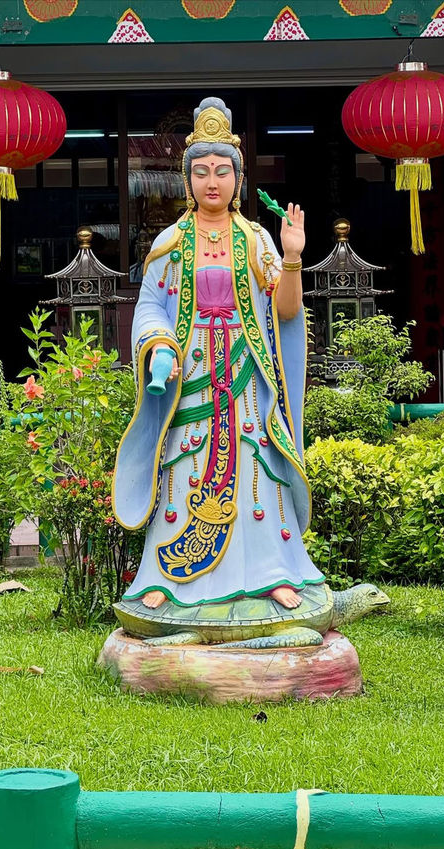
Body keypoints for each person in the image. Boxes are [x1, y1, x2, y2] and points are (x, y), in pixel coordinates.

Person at [112, 97, 324, 611]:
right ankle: (166, 578)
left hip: (246, 371)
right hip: (191, 371)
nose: (213, 182)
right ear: (187, 180)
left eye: (222, 171)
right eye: (202, 171)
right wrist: (159, 345)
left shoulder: (257, 239)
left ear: (239, 178)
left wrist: (292, 256)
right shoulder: (170, 242)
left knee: (256, 467)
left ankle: (273, 571)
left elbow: (286, 312)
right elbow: (150, 306)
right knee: (183, 461)